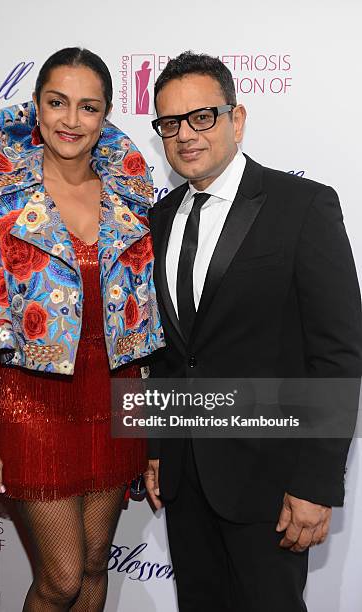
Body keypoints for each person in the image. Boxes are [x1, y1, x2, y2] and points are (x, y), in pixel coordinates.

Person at [0, 47, 164, 611]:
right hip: (28, 404)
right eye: (57, 102)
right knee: (61, 578)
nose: (71, 120)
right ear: (35, 107)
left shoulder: (132, 200)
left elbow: (151, 315)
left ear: (105, 115)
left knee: (93, 569)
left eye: (88, 108)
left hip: (116, 400)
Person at [144, 51, 362, 611]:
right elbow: (175, 355)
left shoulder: (303, 205)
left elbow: (337, 354)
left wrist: (316, 483)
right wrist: (157, 447)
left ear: (236, 120)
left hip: (272, 482)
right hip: (188, 479)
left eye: (202, 117)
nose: (185, 135)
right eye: (170, 123)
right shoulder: (161, 216)